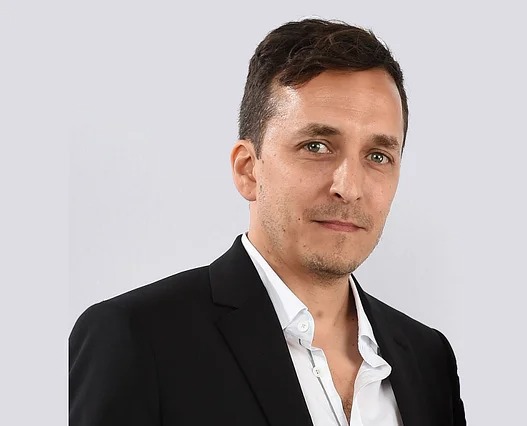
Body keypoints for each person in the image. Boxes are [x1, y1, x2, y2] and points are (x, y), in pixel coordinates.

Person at [69, 18, 466, 426]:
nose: (349, 187)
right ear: (248, 169)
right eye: (316, 146)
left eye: (378, 156)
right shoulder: (138, 339)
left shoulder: (429, 360)